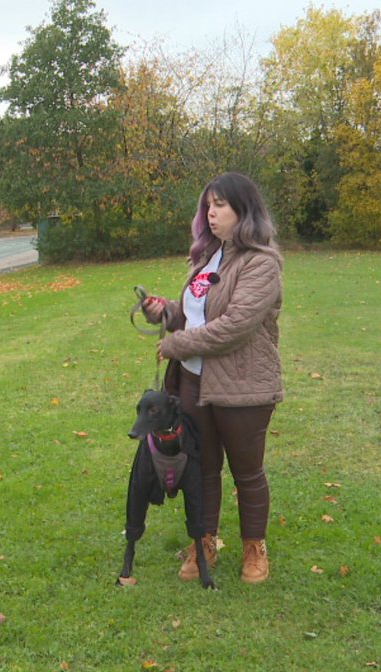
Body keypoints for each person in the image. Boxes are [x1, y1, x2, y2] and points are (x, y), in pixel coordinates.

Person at [142, 172, 283, 584]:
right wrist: (167, 312)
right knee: (201, 468)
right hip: (193, 382)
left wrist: (178, 344)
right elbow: (196, 316)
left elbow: (235, 325)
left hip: (243, 385)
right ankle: (205, 540)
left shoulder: (262, 263)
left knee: (246, 471)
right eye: (208, 205)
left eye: (220, 204)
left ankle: (254, 547)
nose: (211, 212)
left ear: (245, 210)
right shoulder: (207, 259)